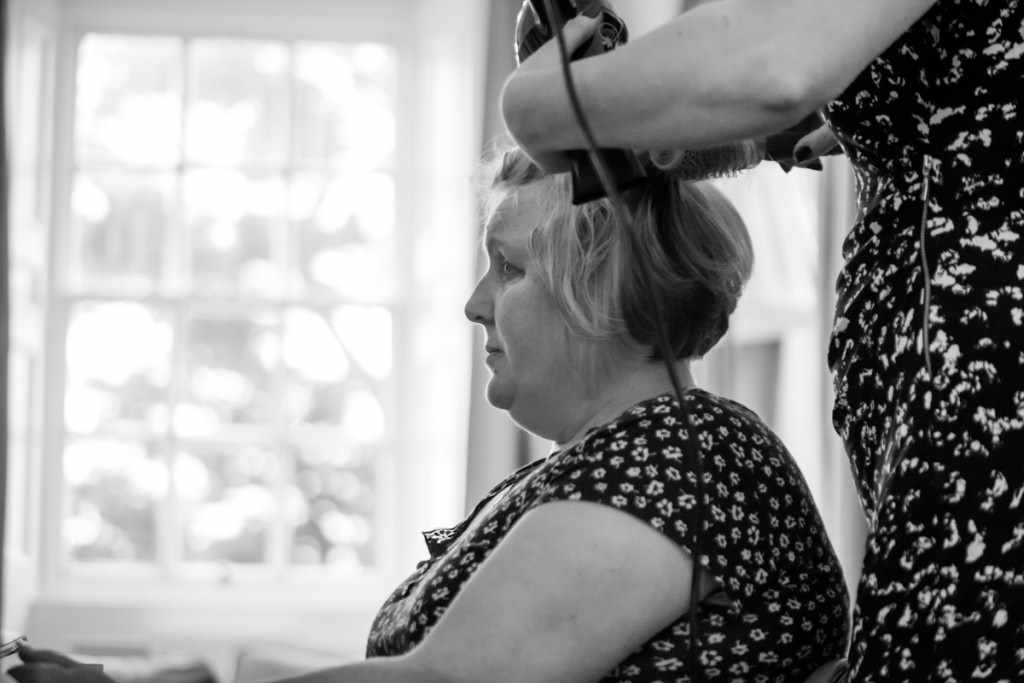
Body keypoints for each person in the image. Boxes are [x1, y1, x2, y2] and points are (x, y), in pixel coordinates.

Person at [9, 145, 849, 682]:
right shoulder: (601, 463)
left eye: (506, 268)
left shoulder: (689, 452)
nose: (475, 304)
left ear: (599, 289)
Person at [501, 2, 1024, 681]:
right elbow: (795, 98)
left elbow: (776, 69)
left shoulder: (680, 465)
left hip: (988, 404)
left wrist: (537, 106)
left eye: (510, 267)